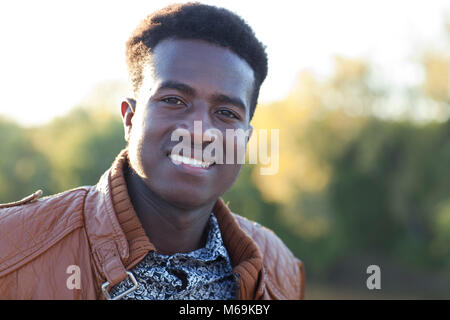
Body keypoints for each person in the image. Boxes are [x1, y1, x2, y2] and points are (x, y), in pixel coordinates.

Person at [0, 2, 304, 300]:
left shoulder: (280, 269)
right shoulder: (10, 248)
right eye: (174, 100)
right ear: (130, 119)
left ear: (245, 141)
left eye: (226, 113)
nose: (198, 131)